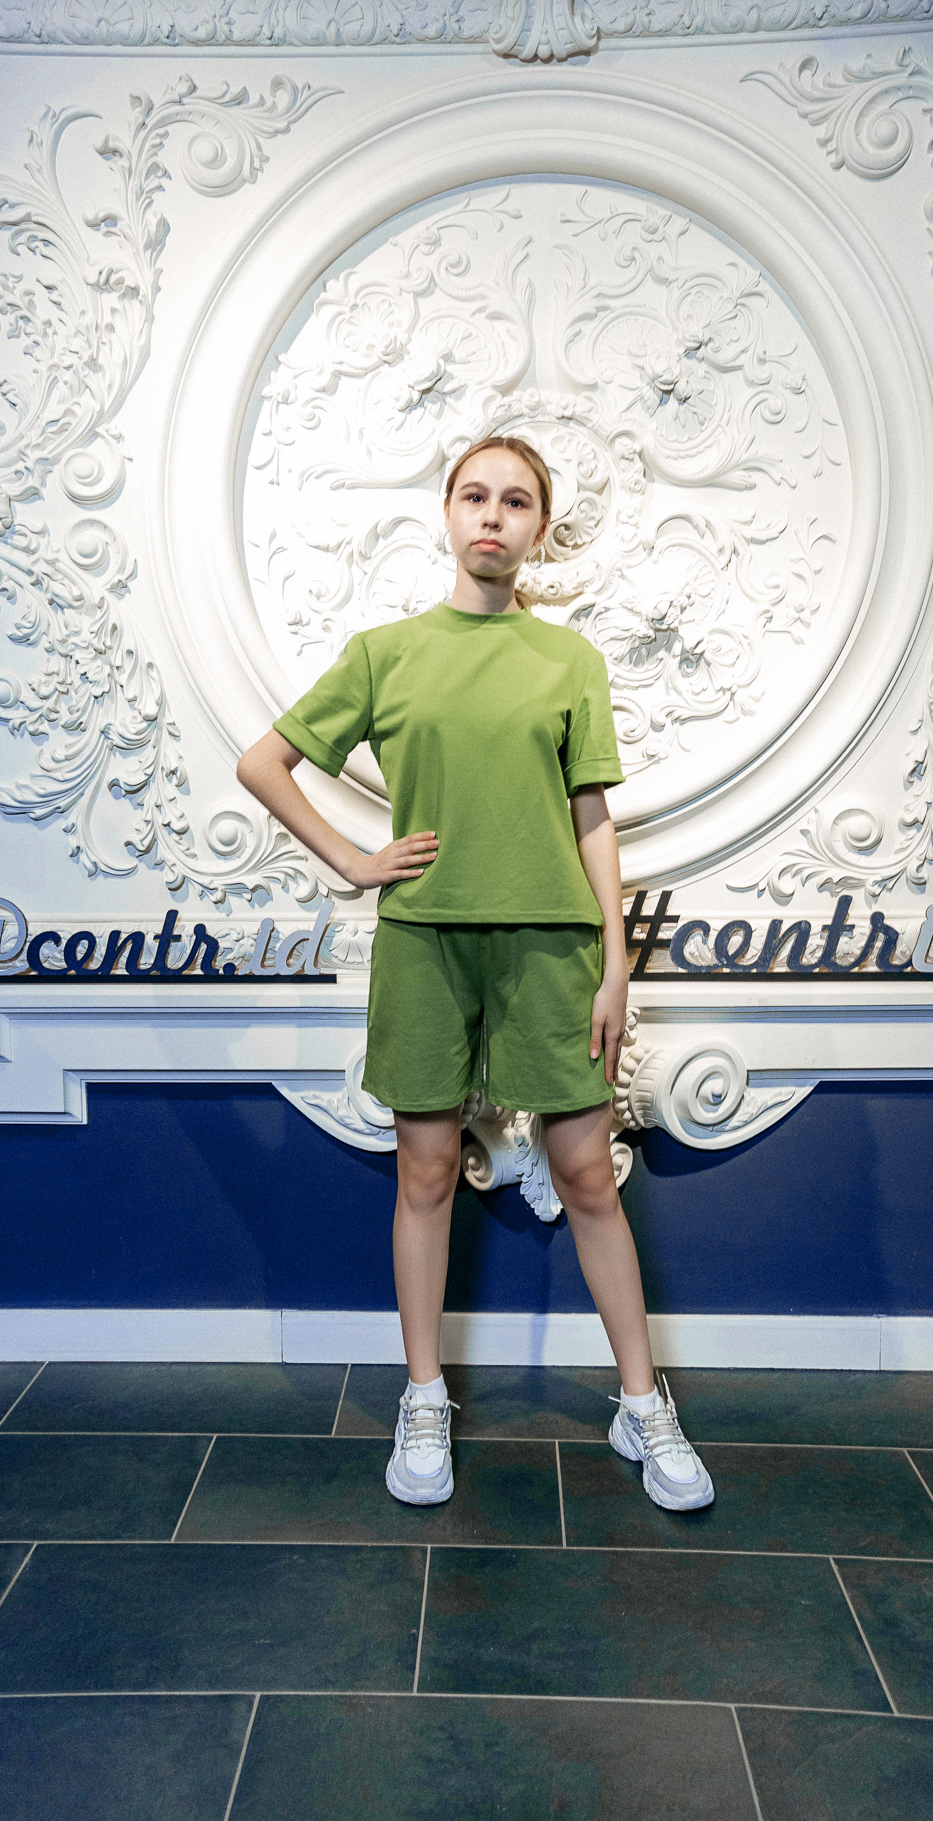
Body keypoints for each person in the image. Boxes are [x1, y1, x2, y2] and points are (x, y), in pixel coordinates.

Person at [236, 435, 713, 1513]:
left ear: (539, 528)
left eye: (516, 501)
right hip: (425, 943)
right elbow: (263, 763)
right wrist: (354, 859)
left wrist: (615, 963)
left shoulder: (568, 661)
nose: (492, 515)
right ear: (447, 513)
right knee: (424, 1174)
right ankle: (423, 1397)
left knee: (587, 1175)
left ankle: (643, 1407)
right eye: (474, 495)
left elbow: (591, 818)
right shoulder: (384, 653)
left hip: (550, 947)